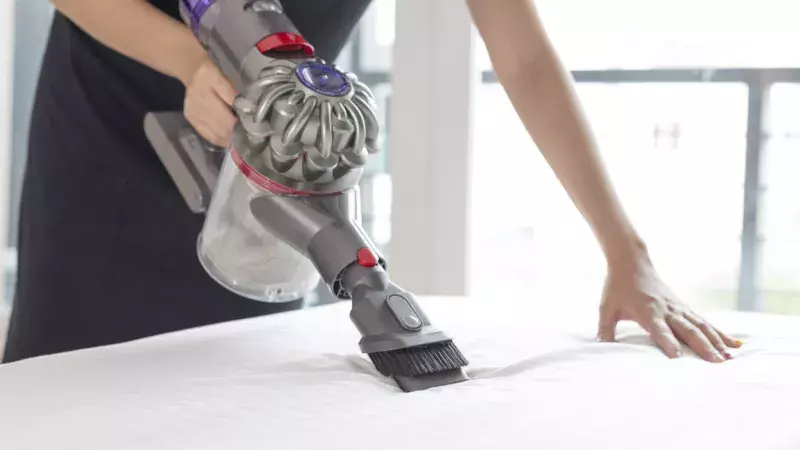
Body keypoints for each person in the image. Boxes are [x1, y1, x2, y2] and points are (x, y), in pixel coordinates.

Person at [2, 0, 741, 365]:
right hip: (111, 132)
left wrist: (626, 251)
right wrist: (190, 62)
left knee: (236, 394)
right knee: (73, 382)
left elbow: (524, 60)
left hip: (279, 143)